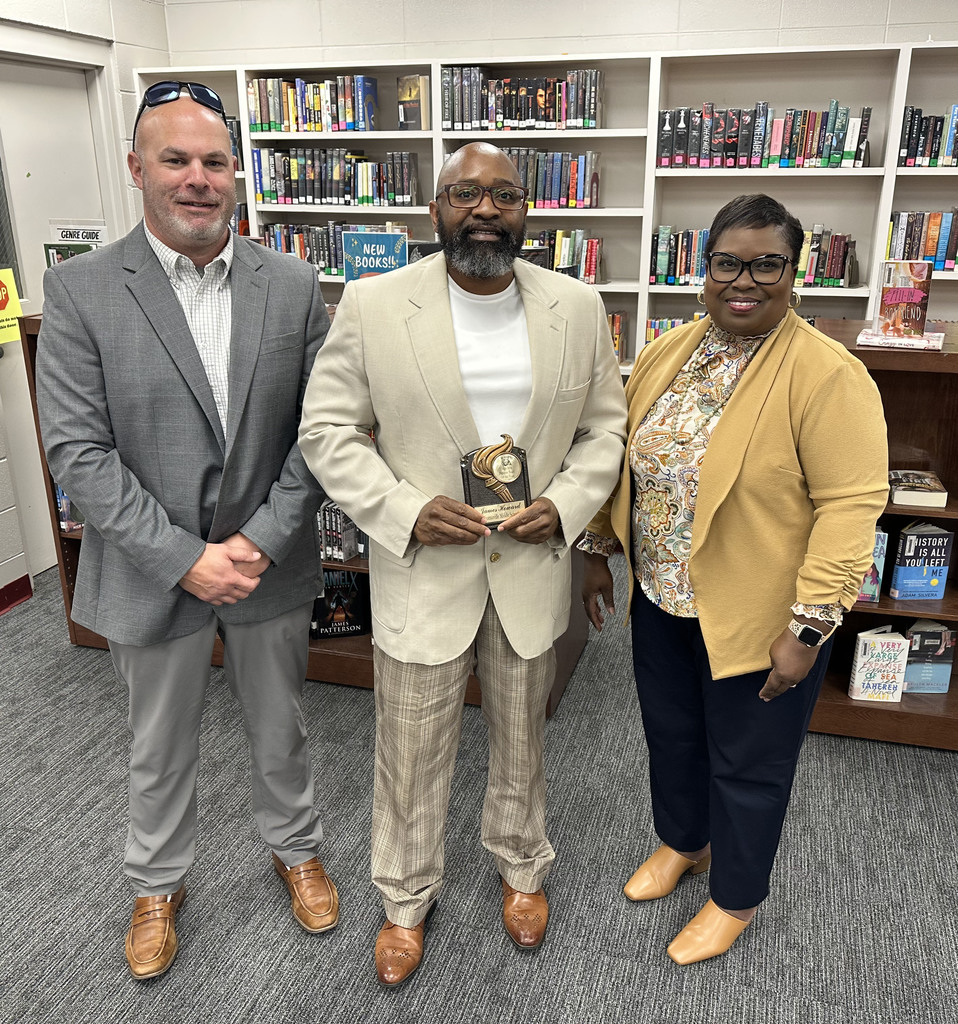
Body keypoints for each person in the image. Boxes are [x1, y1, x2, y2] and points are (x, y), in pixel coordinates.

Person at [298, 142, 627, 987]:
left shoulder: (579, 306)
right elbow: (327, 430)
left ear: (529, 210)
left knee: (523, 736)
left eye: (505, 195)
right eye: (464, 194)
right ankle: (405, 898)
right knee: (409, 747)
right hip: (423, 568)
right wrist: (404, 510)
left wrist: (571, 502)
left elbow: (604, 430)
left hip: (527, 563)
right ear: (433, 209)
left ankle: (523, 869)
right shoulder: (372, 304)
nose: (485, 209)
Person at [35, 82, 336, 980]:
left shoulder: (291, 284)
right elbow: (78, 452)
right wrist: (185, 560)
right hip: (149, 568)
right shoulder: (81, 289)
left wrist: (261, 540)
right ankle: (157, 883)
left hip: (264, 565)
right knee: (156, 743)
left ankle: (298, 851)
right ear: (137, 169)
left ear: (235, 175)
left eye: (214, 162)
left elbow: (322, 430)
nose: (198, 179)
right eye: (176, 160)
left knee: (282, 727)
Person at [581, 194, 888, 965]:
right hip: (662, 599)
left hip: (759, 616)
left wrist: (809, 628)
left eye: (766, 264)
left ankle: (736, 896)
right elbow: (624, 459)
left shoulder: (827, 375)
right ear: (704, 266)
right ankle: (685, 842)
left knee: (749, 763)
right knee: (673, 737)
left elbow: (850, 506)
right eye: (727, 262)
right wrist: (595, 548)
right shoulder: (669, 349)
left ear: (795, 271)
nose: (743, 280)